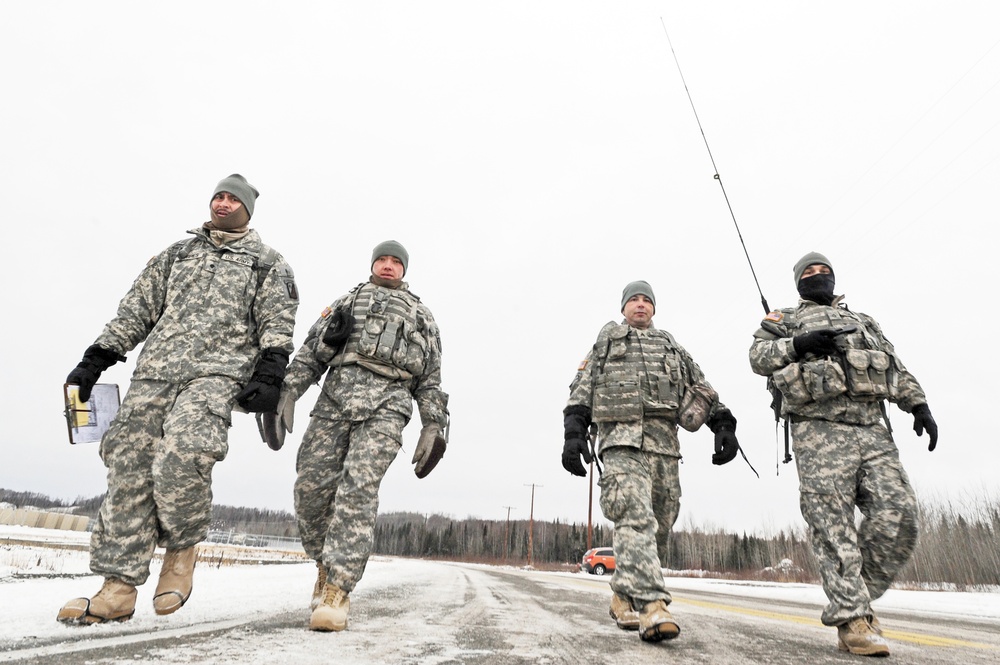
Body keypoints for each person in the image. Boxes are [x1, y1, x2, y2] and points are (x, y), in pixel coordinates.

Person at [58, 174, 299, 625]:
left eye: (233, 198)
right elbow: (136, 310)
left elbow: (277, 321)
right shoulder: (177, 253)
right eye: (218, 196)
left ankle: (180, 553)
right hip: (154, 373)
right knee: (127, 464)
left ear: (247, 209)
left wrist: (271, 371)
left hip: (215, 374)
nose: (223, 203)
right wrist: (96, 358)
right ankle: (117, 587)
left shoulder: (267, 263)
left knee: (183, 455)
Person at [749, 251, 938, 657]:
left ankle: (854, 598)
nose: (818, 277)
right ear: (799, 281)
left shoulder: (864, 322)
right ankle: (853, 620)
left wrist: (918, 405)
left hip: (872, 430)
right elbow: (757, 358)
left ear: (834, 279)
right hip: (819, 432)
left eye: (824, 272)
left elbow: (894, 368)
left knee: (900, 513)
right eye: (809, 273)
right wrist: (797, 344)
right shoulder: (784, 320)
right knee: (833, 529)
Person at [281, 240, 449, 632]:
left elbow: (431, 380)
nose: (388, 266)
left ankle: (338, 589)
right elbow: (312, 351)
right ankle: (324, 565)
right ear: (373, 263)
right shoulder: (346, 303)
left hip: (387, 407)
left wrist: (432, 424)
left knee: (357, 488)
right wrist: (290, 390)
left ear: (404, 269)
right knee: (311, 488)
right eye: (382, 259)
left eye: (395, 261)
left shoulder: (422, 317)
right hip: (334, 401)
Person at [562, 280, 742, 644]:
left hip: (664, 447)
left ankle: (623, 595)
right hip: (621, 443)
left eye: (646, 300)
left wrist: (723, 424)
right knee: (635, 517)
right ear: (623, 308)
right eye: (633, 300)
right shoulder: (606, 345)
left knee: (660, 524)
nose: (640, 305)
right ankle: (653, 607)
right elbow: (581, 388)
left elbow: (700, 387)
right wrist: (574, 432)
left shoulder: (672, 347)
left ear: (654, 309)